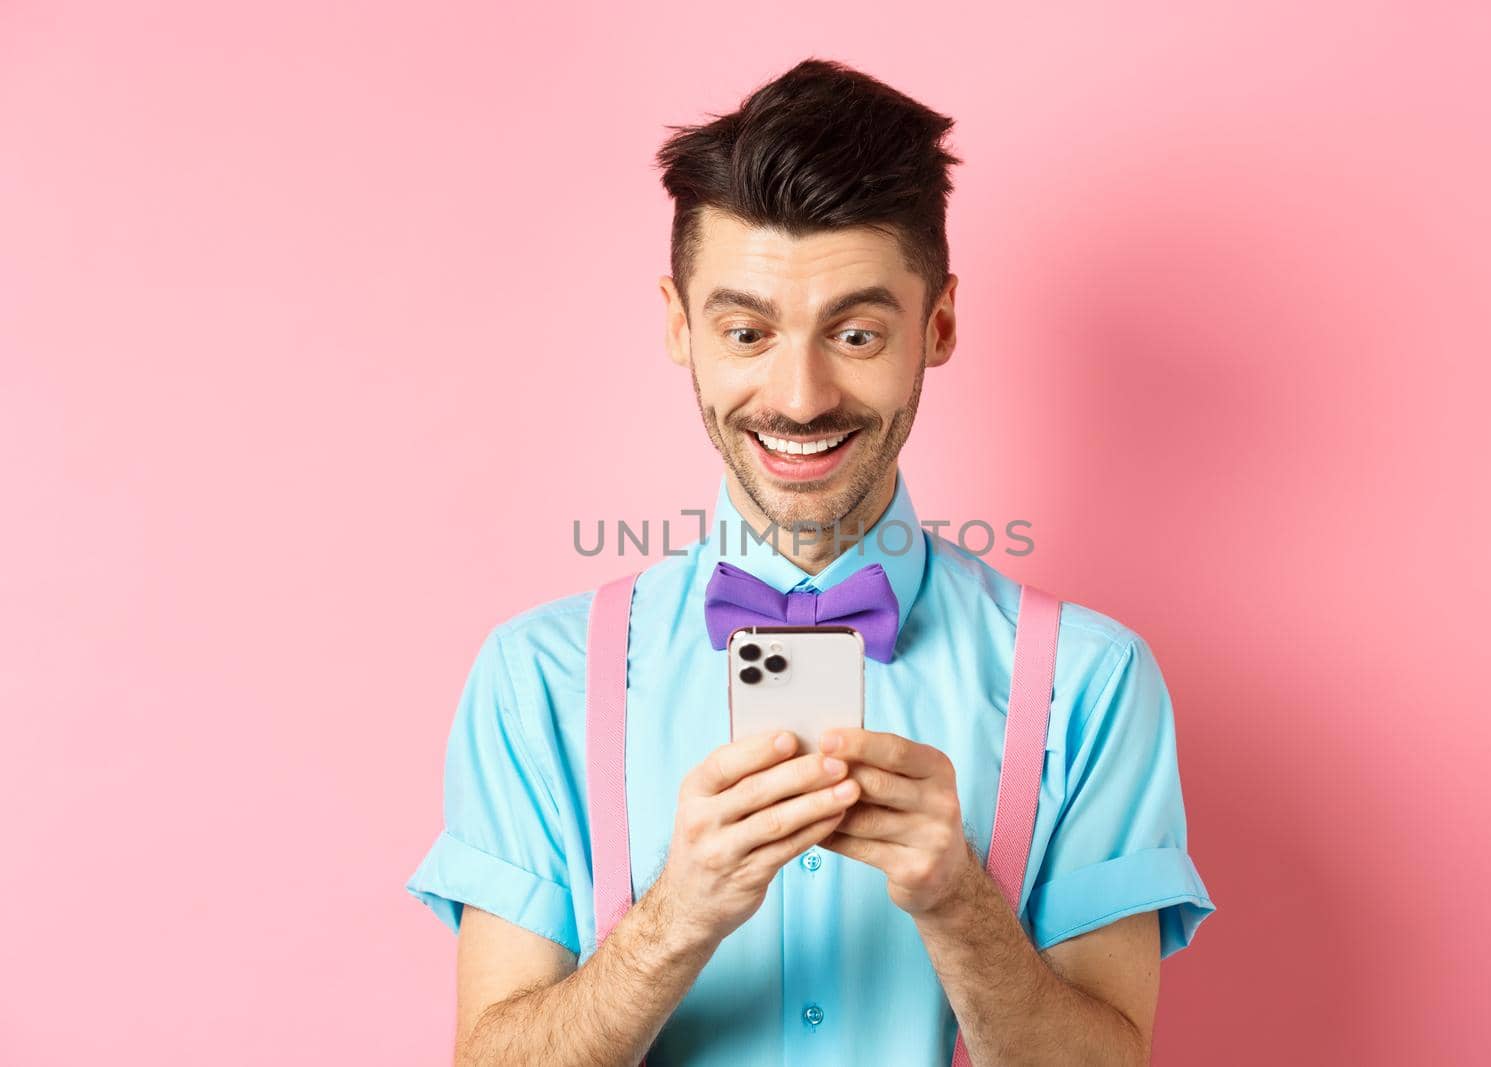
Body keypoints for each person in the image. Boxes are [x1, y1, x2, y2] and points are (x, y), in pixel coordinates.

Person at [406, 56, 1213, 1067]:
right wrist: (677, 915)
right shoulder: (537, 678)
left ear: (939, 324)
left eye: (857, 331)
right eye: (747, 331)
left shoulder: (1091, 682)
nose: (798, 396)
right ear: (677, 325)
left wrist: (960, 904)